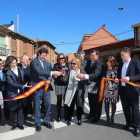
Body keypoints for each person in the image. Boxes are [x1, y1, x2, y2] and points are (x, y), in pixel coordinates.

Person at [30, 48, 62, 132]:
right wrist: (52, 73)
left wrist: (52, 77)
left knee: (48, 105)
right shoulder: (33, 62)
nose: (45, 57)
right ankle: (37, 123)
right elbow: (39, 72)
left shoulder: (47, 63)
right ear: (39, 54)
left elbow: (50, 74)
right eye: (43, 55)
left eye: (46, 56)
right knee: (37, 106)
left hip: (46, 88)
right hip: (37, 88)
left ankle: (46, 121)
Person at [117, 47, 140, 137]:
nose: (121, 57)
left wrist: (130, 78)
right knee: (126, 109)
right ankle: (128, 123)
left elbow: (139, 75)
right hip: (123, 90)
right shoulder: (120, 64)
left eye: (123, 55)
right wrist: (117, 81)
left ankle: (137, 127)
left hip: (133, 91)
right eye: (121, 55)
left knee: (135, 110)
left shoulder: (135, 63)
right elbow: (119, 76)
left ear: (128, 54)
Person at [3, 56, 31, 130]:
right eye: (13, 63)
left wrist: (23, 87)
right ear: (9, 64)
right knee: (14, 109)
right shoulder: (8, 73)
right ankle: (15, 124)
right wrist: (22, 86)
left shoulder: (20, 69)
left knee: (20, 108)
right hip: (13, 93)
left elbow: (22, 79)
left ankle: (20, 123)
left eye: (15, 63)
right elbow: (12, 83)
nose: (14, 64)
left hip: (21, 92)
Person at [77, 49, 103, 123]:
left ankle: (97, 117)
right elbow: (85, 70)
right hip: (90, 85)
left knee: (97, 102)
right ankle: (91, 114)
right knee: (91, 100)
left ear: (97, 56)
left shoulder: (99, 64)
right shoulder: (89, 62)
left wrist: (84, 76)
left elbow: (96, 74)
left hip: (97, 86)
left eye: (93, 56)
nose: (91, 57)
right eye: (90, 55)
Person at [65, 58, 87, 126]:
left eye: (74, 63)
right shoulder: (69, 71)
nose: (72, 65)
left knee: (79, 105)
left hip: (79, 90)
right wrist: (63, 77)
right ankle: (69, 119)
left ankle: (79, 119)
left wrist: (77, 79)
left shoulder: (81, 70)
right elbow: (65, 80)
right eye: (71, 63)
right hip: (70, 91)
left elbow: (86, 81)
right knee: (70, 105)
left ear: (77, 64)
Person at [102, 56, 118, 125]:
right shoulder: (105, 69)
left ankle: (112, 118)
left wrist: (117, 82)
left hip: (114, 90)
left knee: (113, 104)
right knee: (106, 104)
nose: (108, 63)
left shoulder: (117, 69)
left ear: (113, 62)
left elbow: (119, 80)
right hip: (106, 90)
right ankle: (107, 118)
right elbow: (102, 76)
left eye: (110, 62)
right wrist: (103, 78)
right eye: (107, 61)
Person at [53, 53, 69, 122]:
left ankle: (66, 114)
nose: (61, 60)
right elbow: (53, 75)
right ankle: (59, 115)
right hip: (58, 84)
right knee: (59, 100)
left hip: (66, 84)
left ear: (64, 58)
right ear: (58, 59)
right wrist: (55, 75)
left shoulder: (68, 64)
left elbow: (70, 73)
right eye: (60, 58)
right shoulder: (56, 65)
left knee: (66, 100)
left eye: (62, 58)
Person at [18, 54, 33, 119]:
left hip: (29, 87)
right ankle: (23, 114)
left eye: (28, 60)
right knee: (23, 101)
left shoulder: (29, 67)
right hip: (22, 87)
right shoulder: (18, 67)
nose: (28, 61)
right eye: (26, 60)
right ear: (22, 60)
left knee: (29, 100)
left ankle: (29, 113)